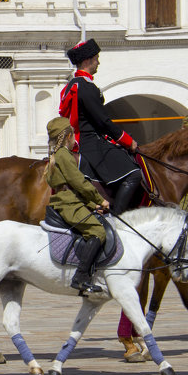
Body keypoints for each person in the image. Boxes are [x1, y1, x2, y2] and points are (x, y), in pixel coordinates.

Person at [59, 39, 142, 214]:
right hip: (89, 142)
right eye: (96, 58)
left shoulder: (71, 86)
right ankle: (117, 218)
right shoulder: (86, 87)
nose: (98, 62)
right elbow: (102, 121)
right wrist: (128, 141)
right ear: (88, 60)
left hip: (84, 139)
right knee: (134, 174)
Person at [45, 116, 110, 293]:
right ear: (67, 136)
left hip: (71, 200)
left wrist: (92, 205)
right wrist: (100, 200)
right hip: (69, 204)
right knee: (98, 232)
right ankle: (81, 277)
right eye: (73, 134)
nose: (75, 137)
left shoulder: (57, 155)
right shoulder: (64, 155)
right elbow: (78, 182)